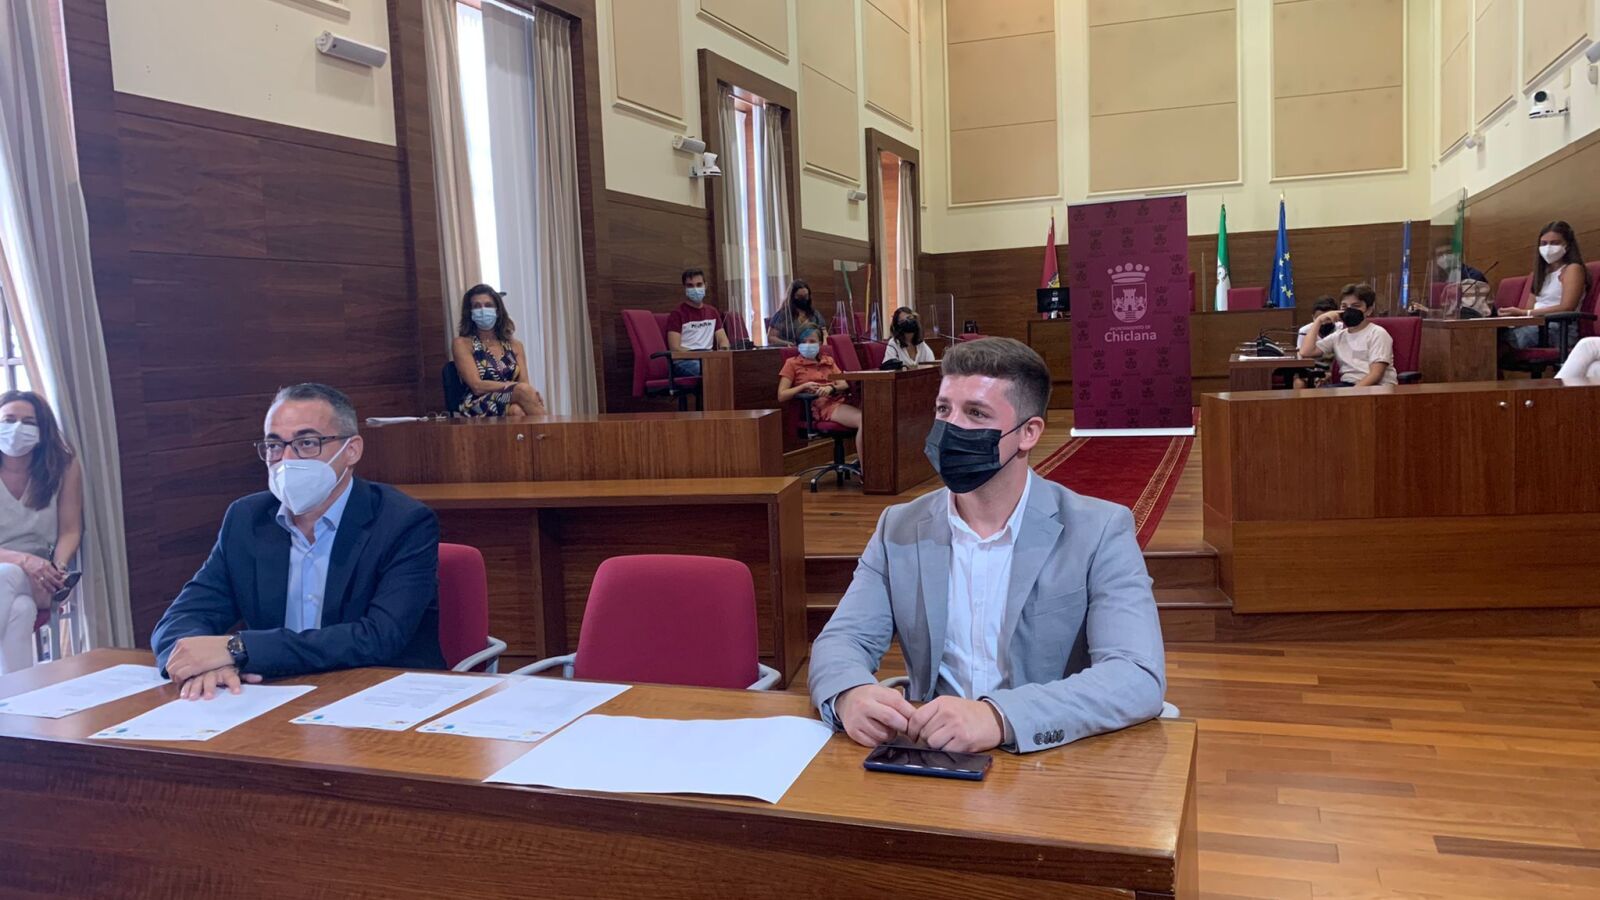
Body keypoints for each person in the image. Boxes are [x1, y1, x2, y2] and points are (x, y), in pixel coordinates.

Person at [808, 338, 1166, 753]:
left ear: (1028, 433)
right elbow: (843, 639)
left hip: (1050, 758)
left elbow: (1136, 674)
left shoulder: (1099, 529)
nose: (951, 428)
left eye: (976, 413)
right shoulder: (899, 527)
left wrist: (1000, 717)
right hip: (933, 754)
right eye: (944, 409)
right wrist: (849, 693)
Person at [151, 383, 445, 700]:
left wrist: (239, 649)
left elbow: (378, 637)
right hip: (272, 695)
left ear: (351, 450)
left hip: (379, 696)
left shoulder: (403, 522)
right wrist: (203, 665)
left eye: (307, 443)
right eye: (274, 445)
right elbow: (180, 619)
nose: (286, 459)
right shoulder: (247, 519)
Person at [0, 392, 83, 674]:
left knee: (18, 591)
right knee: (21, 608)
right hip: (13, 573)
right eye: (8, 420)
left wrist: (57, 569)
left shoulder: (62, 466)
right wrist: (24, 561)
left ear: (42, 429)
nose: (17, 428)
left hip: (40, 579)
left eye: (28, 422)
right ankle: (17, 694)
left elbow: (70, 530)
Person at [451, 284, 546, 417]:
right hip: (478, 403)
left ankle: (548, 429)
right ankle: (553, 429)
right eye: (477, 306)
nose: (483, 310)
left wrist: (525, 392)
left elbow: (524, 383)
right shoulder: (462, 343)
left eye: (488, 305)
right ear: (470, 313)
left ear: (498, 311)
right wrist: (514, 387)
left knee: (516, 411)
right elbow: (477, 386)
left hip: (512, 399)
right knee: (522, 392)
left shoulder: (515, 345)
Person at [777, 325, 863, 466]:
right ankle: (868, 472)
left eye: (812, 341)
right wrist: (803, 386)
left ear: (820, 343)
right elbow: (781, 395)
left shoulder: (828, 361)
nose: (807, 345)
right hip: (824, 406)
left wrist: (831, 388)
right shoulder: (792, 363)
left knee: (876, 414)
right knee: (863, 420)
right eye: (803, 341)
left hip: (841, 399)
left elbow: (843, 384)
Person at [1499, 221, 1590, 351]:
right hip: (1535, 326)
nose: (1548, 248)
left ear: (1568, 245)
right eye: (1544, 243)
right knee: (1493, 333)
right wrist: (1513, 316)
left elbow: (1567, 307)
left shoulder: (1572, 269)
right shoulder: (1540, 273)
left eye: (1555, 243)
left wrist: (1525, 313)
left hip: (1559, 328)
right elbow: (1529, 309)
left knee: (1501, 341)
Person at [1297, 283, 1397, 387]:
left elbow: (1376, 374)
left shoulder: (1377, 333)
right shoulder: (1338, 336)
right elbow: (1306, 352)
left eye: (1356, 306)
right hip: (1347, 385)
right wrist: (1319, 320)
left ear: (1368, 310)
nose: (1349, 310)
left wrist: (1351, 393)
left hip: (1377, 387)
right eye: (1344, 306)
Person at [666, 267, 731, 378]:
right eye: (690, 286)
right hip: (685, 361)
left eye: (699, 284)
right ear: (685, 288)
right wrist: (699, 356)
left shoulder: (712, 312)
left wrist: (724, 350)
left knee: (732, 367)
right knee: (709, 369)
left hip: (708, 358)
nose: (695, 289)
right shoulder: (677, 314)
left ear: (705, 285)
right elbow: (675, 348)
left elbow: (723, 340)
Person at [1291, 296, 1340, 388]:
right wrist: (1317, 375)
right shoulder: (1305, 330)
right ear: (1313, 317)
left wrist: (1330, 374)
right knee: (1299, 383)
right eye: (1320, 319)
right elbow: (1302, 357)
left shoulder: (1342, 329)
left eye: (1327, 319)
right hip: (1311, 369)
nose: (1324, 323)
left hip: (1334, 369)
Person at [766, 279, 829, 347]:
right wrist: (787, 344)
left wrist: (823, 345)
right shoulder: (782, 315)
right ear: (792, 297)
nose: (803, 299)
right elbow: (771, 338)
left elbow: (824, 334)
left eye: (806, 296)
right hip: (790, 349)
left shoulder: (815, 314)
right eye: (800, 296)